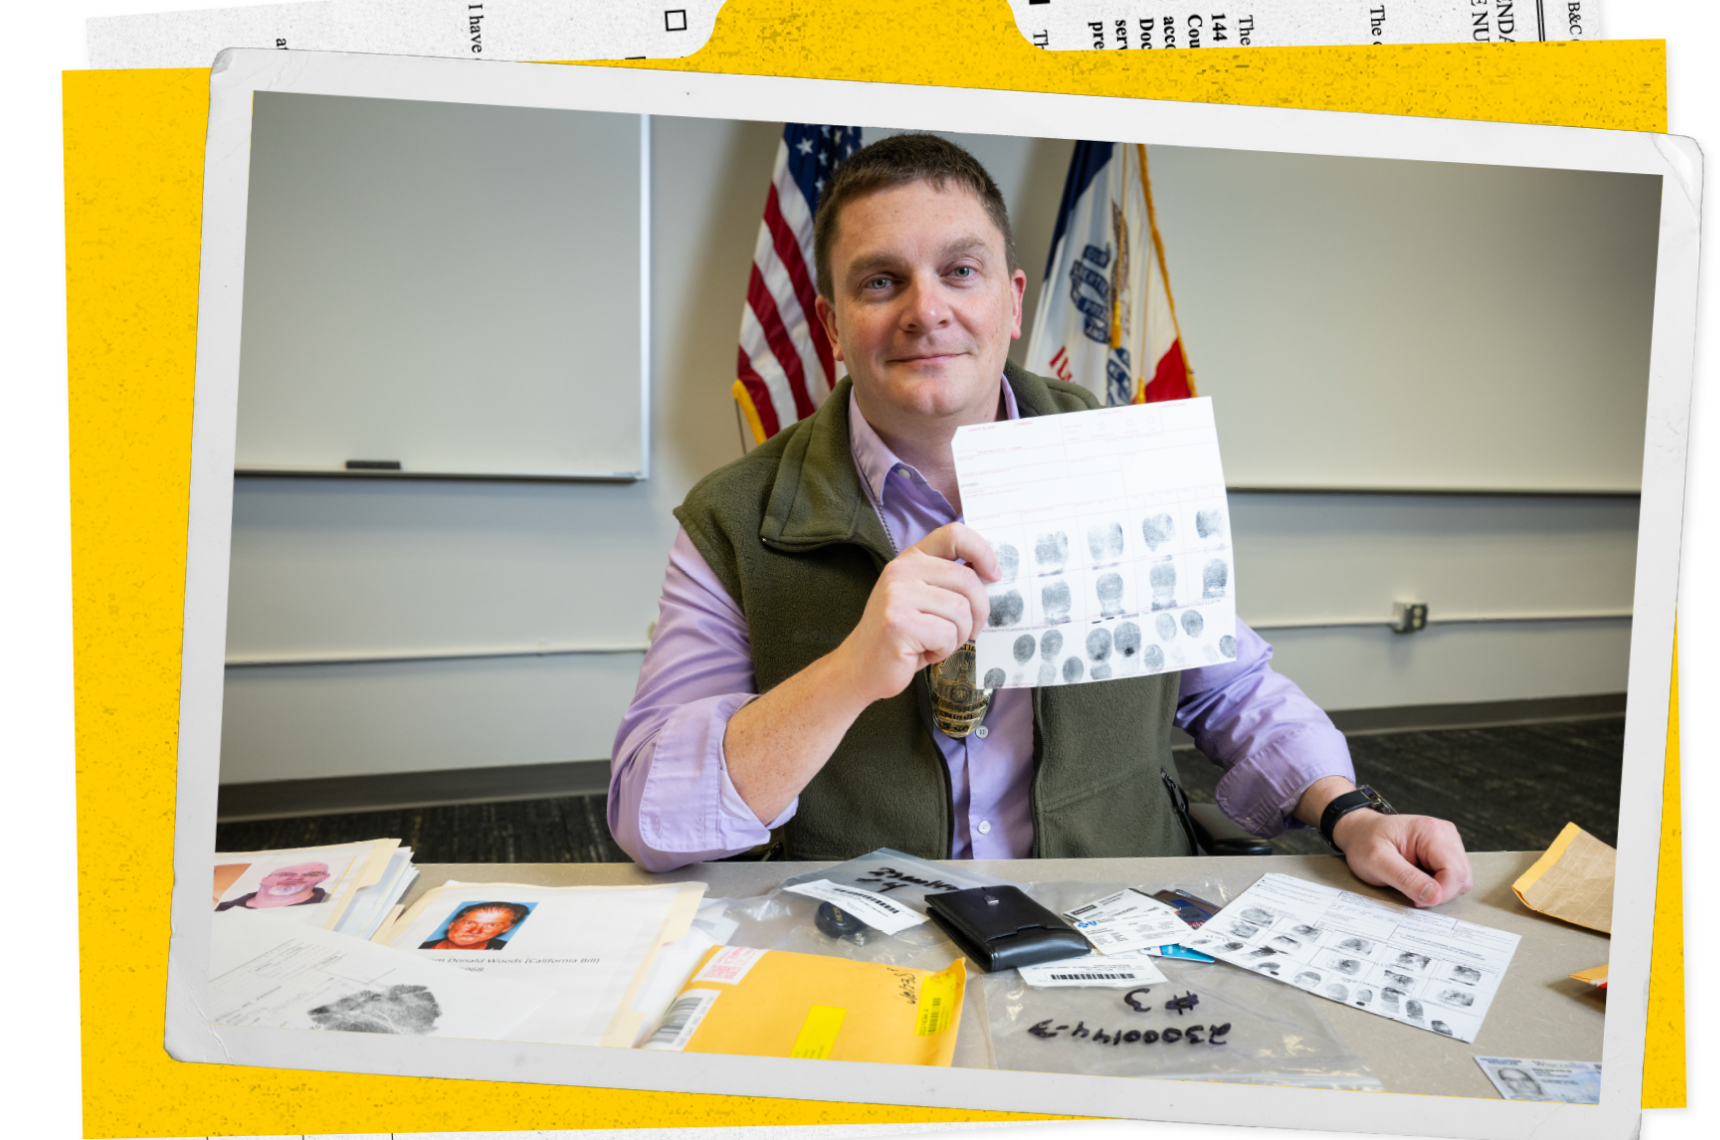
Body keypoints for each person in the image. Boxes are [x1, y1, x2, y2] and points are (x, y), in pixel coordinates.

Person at [608, 133, 1472, 908]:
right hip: (867, 935)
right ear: (832, 324)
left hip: (1114, 909)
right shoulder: (731, 518)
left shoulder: (1118, 458)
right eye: (882, 280)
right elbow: (648, 814)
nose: (925, 309)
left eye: (960, 270)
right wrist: (848, 672)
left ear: (1014, 303)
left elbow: (1232, 685)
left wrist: (1352, 813)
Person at [214, 861, 331, 911]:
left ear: (323, 878)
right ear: (265, 879)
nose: (297, 878)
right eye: (287, 874)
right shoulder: (220, 908)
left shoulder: (333, 903)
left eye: (310, 874)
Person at [419, 902, 531, 951]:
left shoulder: (512, 952)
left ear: (506, 929)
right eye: (469, 923)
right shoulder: (420, 948)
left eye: (491, 925)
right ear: (452, 924)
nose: (475, 930)